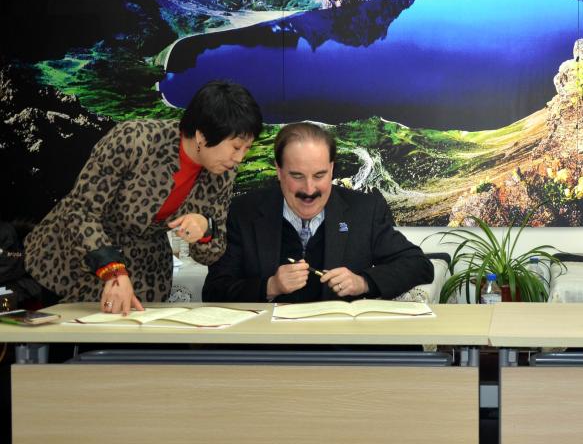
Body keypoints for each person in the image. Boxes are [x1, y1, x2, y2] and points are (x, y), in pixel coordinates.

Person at [24, 81, 264, 313]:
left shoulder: (223, 173)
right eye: (236, 147)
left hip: (144, 270)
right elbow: (80, 211)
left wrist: (205, 229)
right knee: (62, 335)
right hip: (73, 257)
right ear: (202, 135)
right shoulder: (135, 139)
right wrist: (113, 270)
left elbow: (212, 253)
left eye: (247, 148)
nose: (239, 158)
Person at [203, 122, 433, 303]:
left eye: (319, 175)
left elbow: (418, 265)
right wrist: (270, 286)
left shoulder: (364, 211)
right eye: (297, 176)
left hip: (339, 344)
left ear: (331, 169)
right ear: (279, 171)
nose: (309, 189)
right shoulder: (243, 212)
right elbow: (214, 290)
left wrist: (363, 282)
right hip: (269, 344)